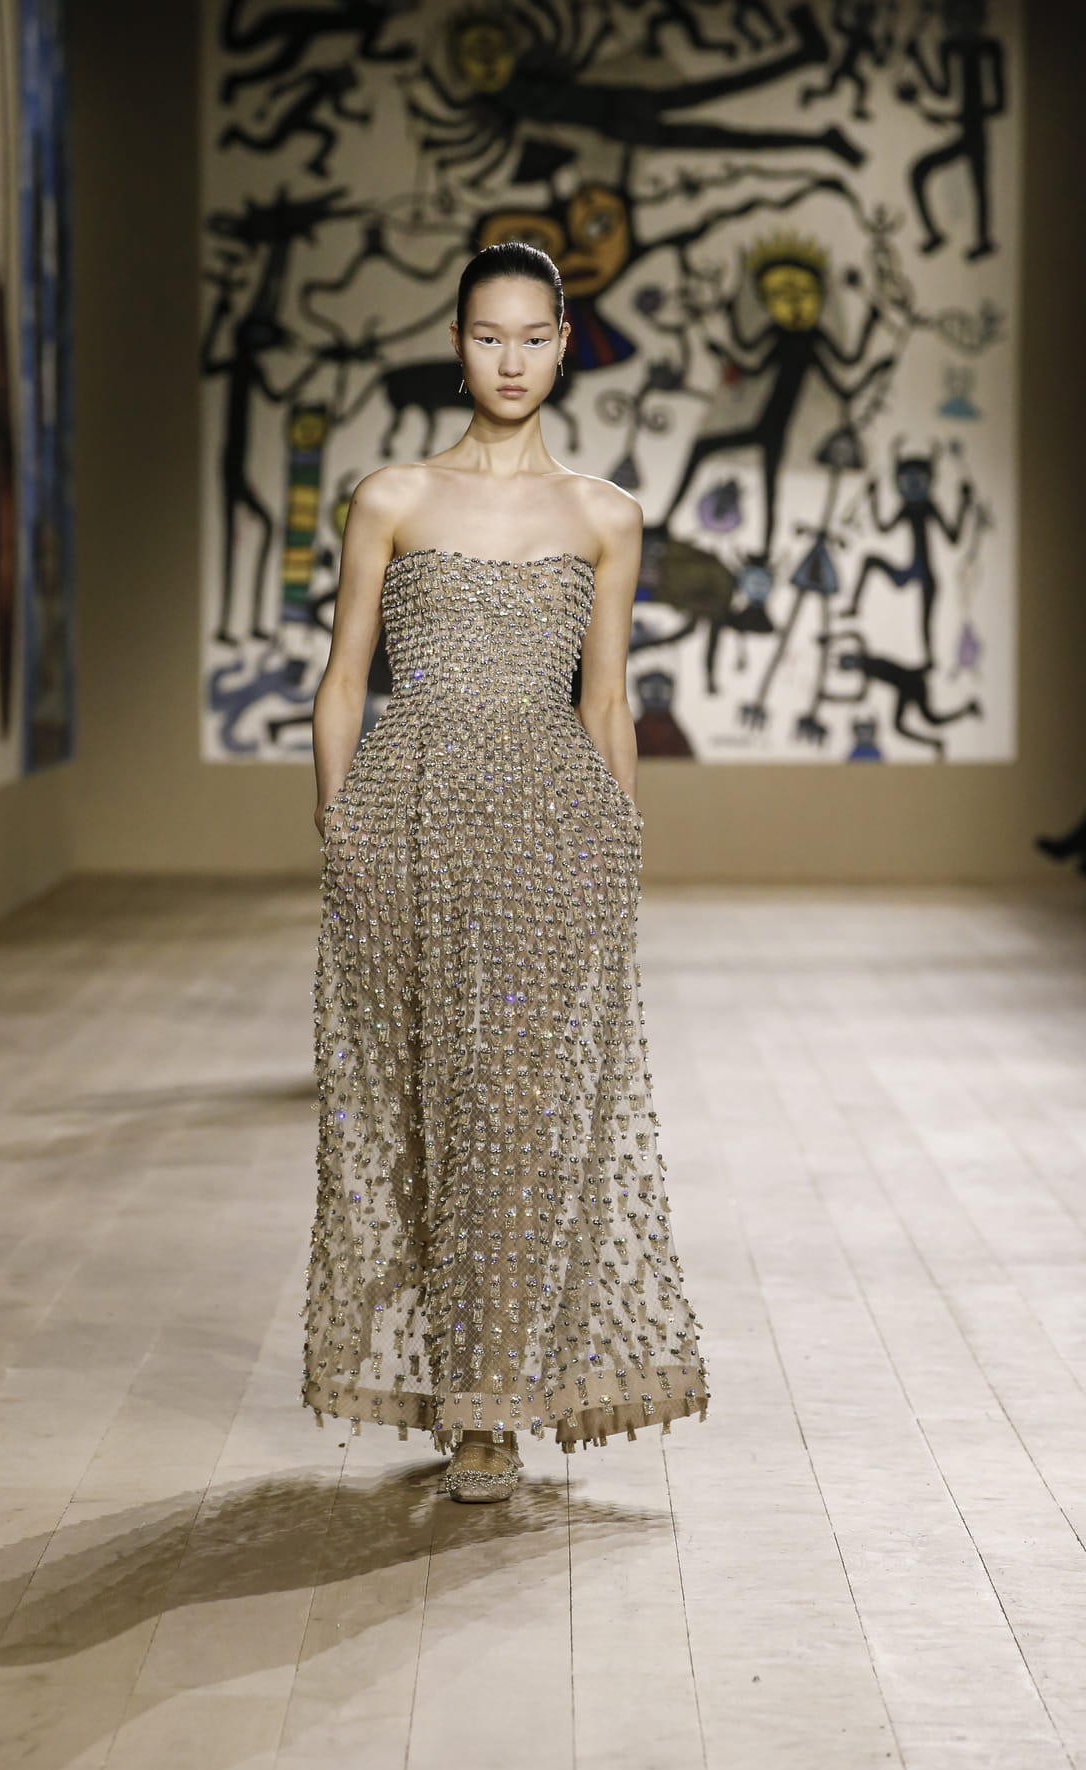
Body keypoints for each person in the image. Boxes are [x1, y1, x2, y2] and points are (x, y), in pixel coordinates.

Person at [303, 240, 709, 1503]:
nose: (512, 360)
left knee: (518, 1124)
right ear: (457, 343)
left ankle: (492, 1412)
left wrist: (618, 847)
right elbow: (344, 681)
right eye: (489, 336)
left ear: (565, 343)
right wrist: (339, 831)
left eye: (535, 337)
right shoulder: (391, 497)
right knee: (421, 1119)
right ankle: (459, 1386)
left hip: (549, 844)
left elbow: (606, 702)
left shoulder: (604, 515)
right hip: (407, 830)